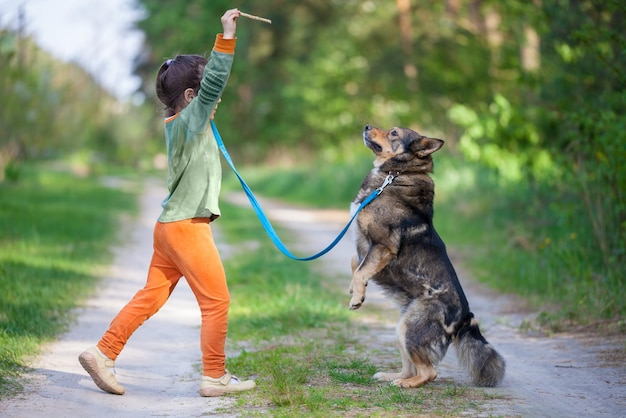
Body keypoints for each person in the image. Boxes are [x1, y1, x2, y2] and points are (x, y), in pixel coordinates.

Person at [78, 8, 256, 397]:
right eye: (211, 90)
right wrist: (226, 35)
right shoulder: (191, 121)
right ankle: (215, 376)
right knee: (217, 302)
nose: (218, 96)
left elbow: (211, 89)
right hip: (186, 227)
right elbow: (215, 82)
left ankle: (103, 352)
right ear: (192, 96)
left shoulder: (185, 127)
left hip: (169, 228)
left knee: (151, 296)